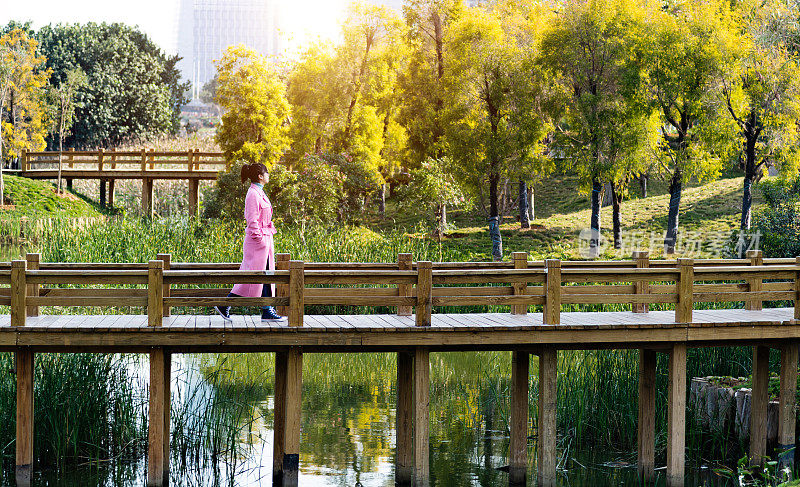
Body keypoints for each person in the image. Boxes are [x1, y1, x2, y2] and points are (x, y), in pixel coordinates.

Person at [215, 162, 283, 321]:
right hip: (257, 243)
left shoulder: (259, 192)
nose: (268, 175)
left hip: (264, 241)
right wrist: (260, 239)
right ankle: (226, 304)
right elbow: (252, 220)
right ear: (260, 176)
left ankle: (266, 310)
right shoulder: (253, 193)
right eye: (266, 173)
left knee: (265, 275)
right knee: (251, 276)